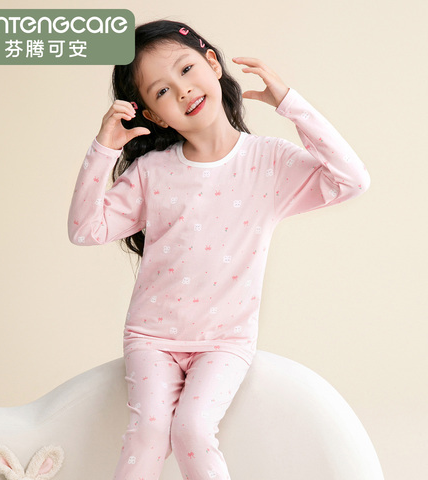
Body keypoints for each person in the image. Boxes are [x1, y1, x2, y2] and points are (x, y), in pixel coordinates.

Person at [67, 19, 370, 480]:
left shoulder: (269, 161)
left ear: (212, 63)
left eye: (186, 69)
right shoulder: (151, 172)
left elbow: (352, 180)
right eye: (162, 91)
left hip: (225, 341)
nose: (183, 90)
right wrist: (103, 149)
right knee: (149, 432)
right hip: (152, 336)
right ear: (154, 117)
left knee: (192, 429)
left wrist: (290, 103)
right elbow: (85, 229)